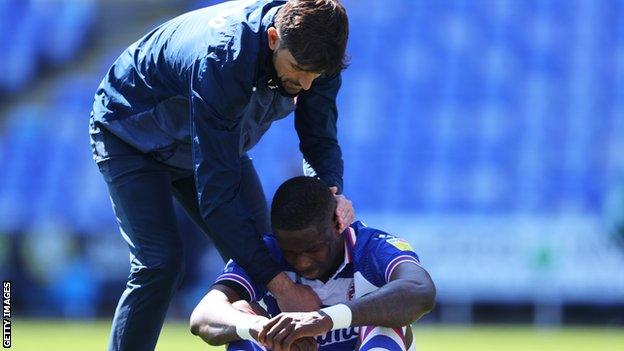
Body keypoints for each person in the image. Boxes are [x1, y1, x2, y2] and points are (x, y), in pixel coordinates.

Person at [88, 1, 354, 350]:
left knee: (270, 254)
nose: (305, 85)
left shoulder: (318, 51)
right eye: (298, 69)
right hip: (131, 135)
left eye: (315, 76)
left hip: (207, 137)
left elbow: (319, 137)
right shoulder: (224, 58)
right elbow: (217, 199)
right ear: (273, 38)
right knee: (160, 263)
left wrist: (329, 197)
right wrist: (283, 288)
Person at [190, 176, 436, 351]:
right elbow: (202, 317)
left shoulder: (372, 247)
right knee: (242, 318)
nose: (302, 262)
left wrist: (325, 318)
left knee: (387, 325)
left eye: (314, 248)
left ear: (337, 224)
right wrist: (262, 328)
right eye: (291, 252)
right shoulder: (267, 252)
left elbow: (420, 290)